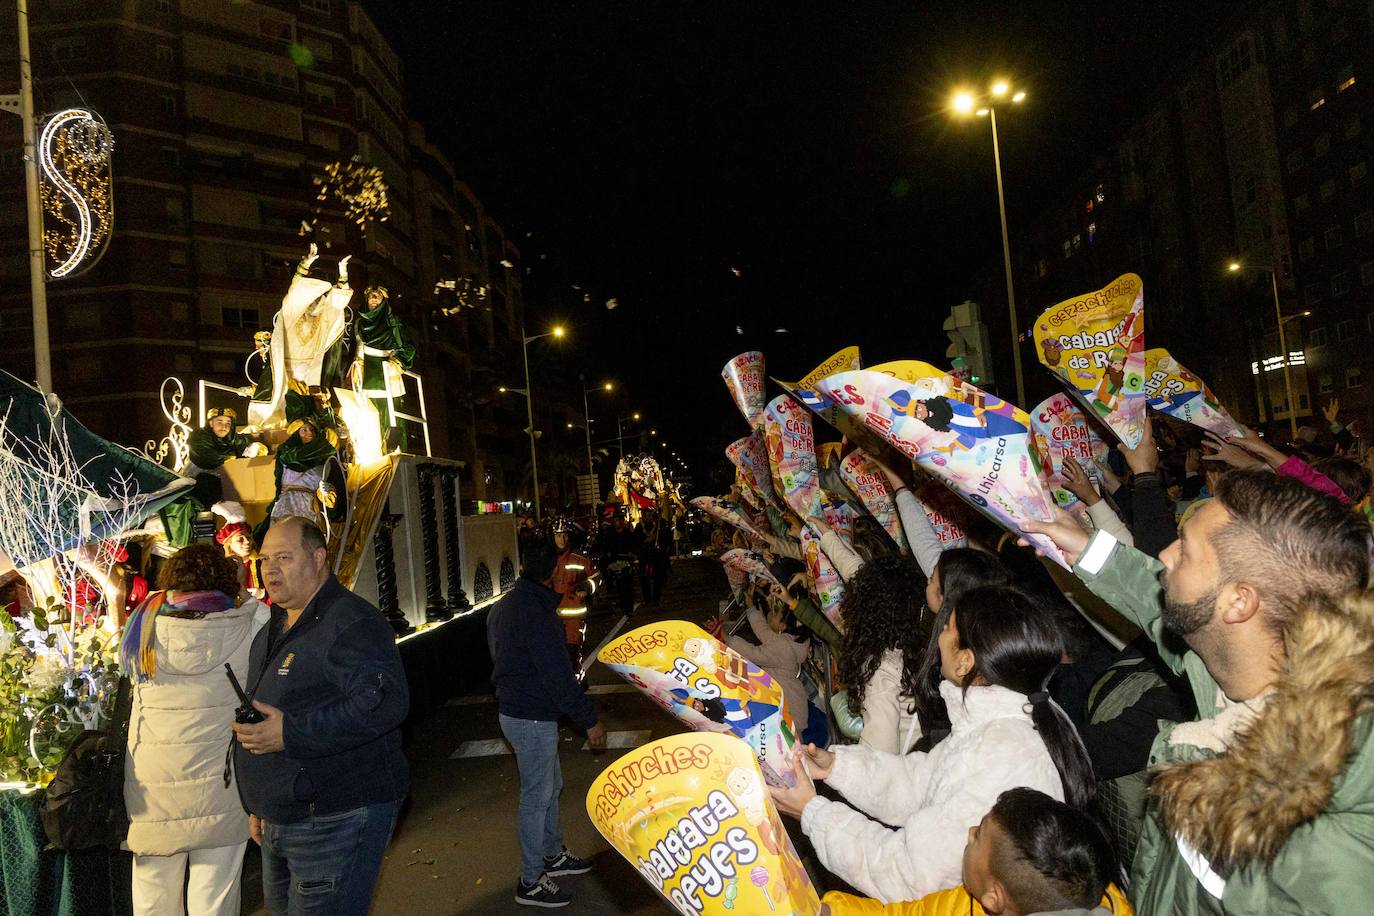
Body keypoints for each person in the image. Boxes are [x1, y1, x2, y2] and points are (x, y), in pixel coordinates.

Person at [1023, 468, 1373, 914]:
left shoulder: (1320, 852)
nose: (1166, 555)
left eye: (1185, 550)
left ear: (1239, 602)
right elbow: (1162, 604)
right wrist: (1086, 549)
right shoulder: (1249, 668)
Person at [770, 585, 1094, 904]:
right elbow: (921, 781)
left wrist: (812, 812)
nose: (938, 636)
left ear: (965, 662)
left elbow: (906, 875)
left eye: (948, 628)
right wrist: (837, 766)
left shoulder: (1002, 753)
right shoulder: (1005, 716)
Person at [232, 517, 409, 916]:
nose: (270, 569)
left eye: (283, 557)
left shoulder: (350, 622)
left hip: (334, 818)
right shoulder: (276, 624)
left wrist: (290, 733)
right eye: (264, 559)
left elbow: (382, 703)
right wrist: (262, 804)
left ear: (318, 558)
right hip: (284, 818)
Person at [120, 543, 269, 916]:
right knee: (215, 894)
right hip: (220, 782)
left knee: (154, 894)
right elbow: (265, 614)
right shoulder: (249, 623)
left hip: (153, 783)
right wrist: (242, 590)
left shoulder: (143, 625)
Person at [487, 535, 608, 908]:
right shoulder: (537, 614)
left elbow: (497, 653)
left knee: (549, 786)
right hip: (531, 716)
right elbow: (558, 677)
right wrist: (589, 721)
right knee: (537, 797)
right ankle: (530, 878)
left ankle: (552, 854)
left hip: (516, 710)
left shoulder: (507, 606)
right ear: (554, 571)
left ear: (524, 566)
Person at [819, 788, 1130, 916]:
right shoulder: (1075, 886)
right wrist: (832, 909)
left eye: (979, 836)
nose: (970, 833)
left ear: (994, 899)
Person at [833, 554, 929, 754]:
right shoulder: (917, 645)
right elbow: (875, 585)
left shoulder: (880, 669)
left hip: (909, 771)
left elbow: (879, 757)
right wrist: (826, 535)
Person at [159, 408, 259, 548]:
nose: (224, 427)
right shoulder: (200, 436)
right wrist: (236, 456)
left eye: (228, 423)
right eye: (219, 422)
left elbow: (245, 441)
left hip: (223, 485)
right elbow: (208, 457)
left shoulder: (231, 439)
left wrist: (256, 445)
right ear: (211, 423)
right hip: (199, 482)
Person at [727, 582, 813, 733]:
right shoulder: (794, 639)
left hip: (787, 713)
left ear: (782, 627)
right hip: (792, 706)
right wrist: (751, 607)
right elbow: (763, 631)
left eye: (773, 613)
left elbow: (751, 654)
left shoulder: (781, 646)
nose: (769, 614)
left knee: (788, 749)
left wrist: (727, 640)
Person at [348, 284, 417, 450]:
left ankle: (394, 451)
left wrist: (396, 364)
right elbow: (355, 349)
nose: (373, 299)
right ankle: (370, 450)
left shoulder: (393, 323)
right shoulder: (359, 324)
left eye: (377, 296)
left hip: (386, 375)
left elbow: (408, 348)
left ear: (384, 300)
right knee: (366, 417)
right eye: (370, 296)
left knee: (390, 416)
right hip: (364, 376)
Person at [549, 517, 597, 673]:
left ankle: (577, 686)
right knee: (555, 657)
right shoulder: (547, 559)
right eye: (557, 535)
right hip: (551, 616)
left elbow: (596, 577)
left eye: (564, 535)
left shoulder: (580, 558)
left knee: (572, 655)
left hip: (573, 617)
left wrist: (585, 587)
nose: (561, 539)